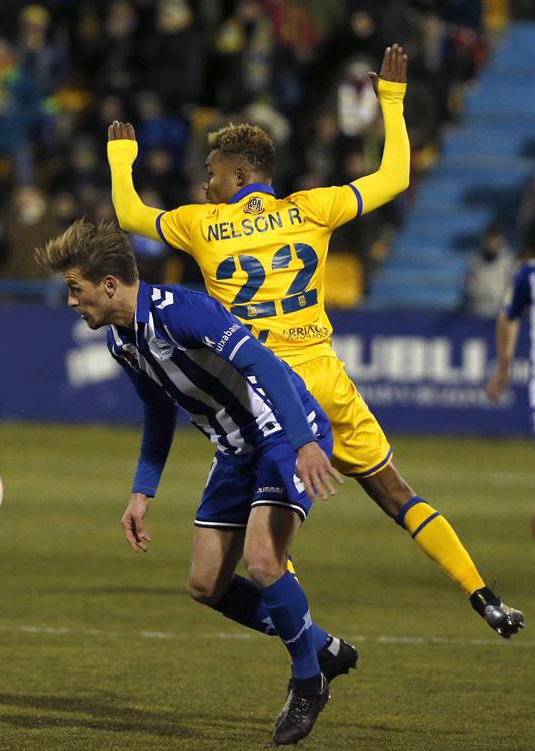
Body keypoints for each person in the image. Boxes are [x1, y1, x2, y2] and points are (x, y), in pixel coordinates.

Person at [106, 44, 525, 638]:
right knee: (395, 492)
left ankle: (311, 643)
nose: (205, 181)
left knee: (266, 526)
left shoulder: (200, 226)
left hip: (264, 390)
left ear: (241, 176)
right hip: (325, 376)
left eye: (214, 172)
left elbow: (127, 212)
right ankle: (481, 595)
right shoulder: (313, 208)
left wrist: (121, 158)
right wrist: (393, 101)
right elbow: (397, 176)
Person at [36, 218, 351, 746]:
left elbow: (266, 366)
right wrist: (143, 490)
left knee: (264, 561)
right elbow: (157, 411)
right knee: (206, 585)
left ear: (108, 285)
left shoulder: (182, 312)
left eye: (76, 289)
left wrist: (304, 443)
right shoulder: (121, 339)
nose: (71, 301)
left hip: (280, 433)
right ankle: (319, 645)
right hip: (233, 450)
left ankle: (307, 680)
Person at [485, 243, 535, 432]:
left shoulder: (529, 274)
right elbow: (508, 317)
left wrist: (504, 367)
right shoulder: (528, 274)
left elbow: (508, 317)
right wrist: (504, 367)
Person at [464, 223, 515, 316]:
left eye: (496, 240)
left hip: (499, 313)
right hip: (477, 311)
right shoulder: (474, 261)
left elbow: (512, 290)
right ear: (484, 240)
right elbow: (468, 288)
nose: (492, 244)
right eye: (490, 240)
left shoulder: (508, 261)